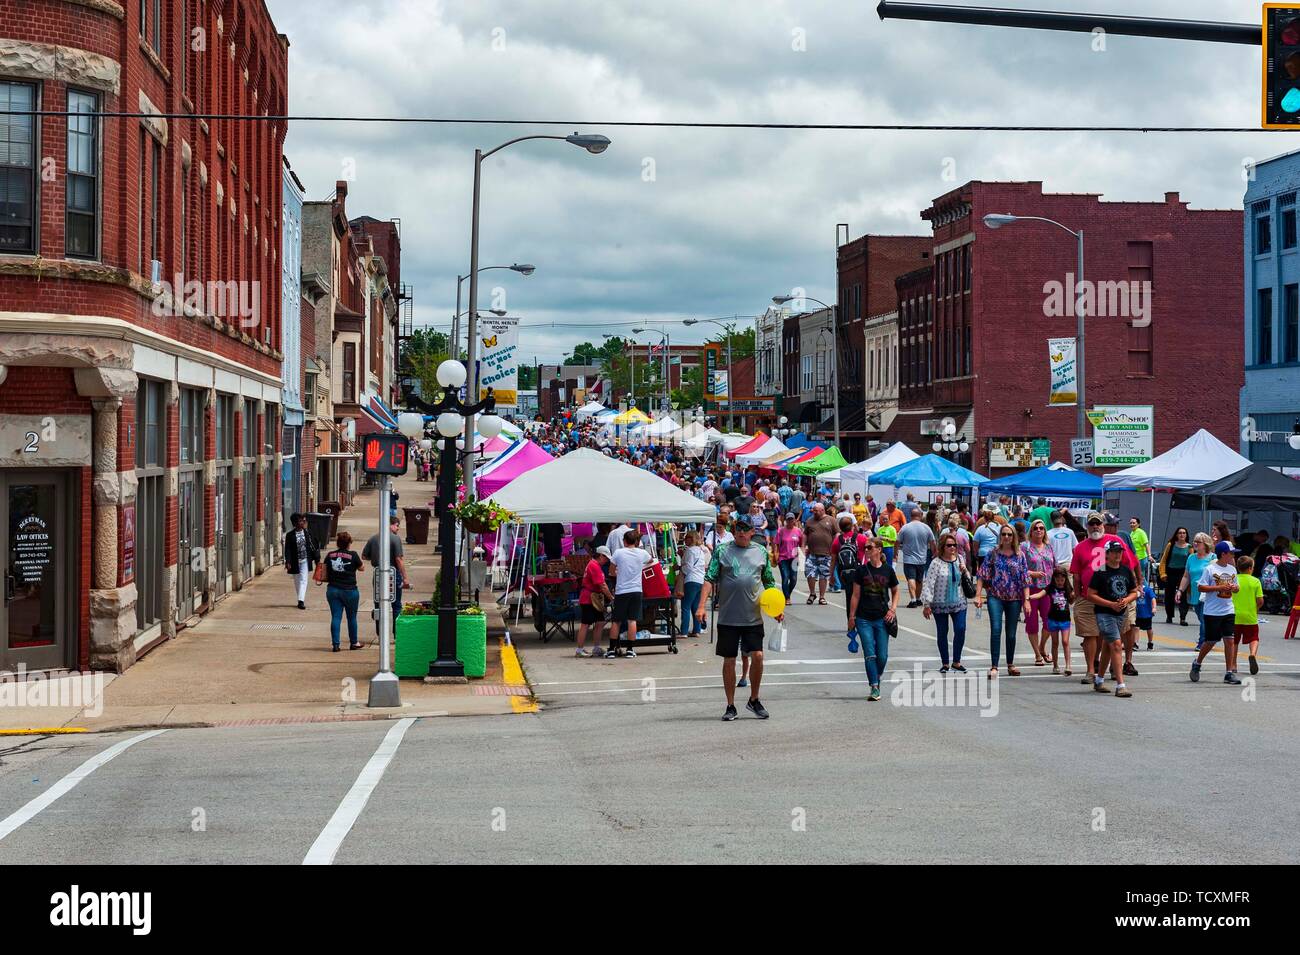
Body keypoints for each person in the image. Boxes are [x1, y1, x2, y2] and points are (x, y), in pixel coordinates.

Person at [698, 516, 777, 721]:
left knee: (758, 656)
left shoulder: (760, 552)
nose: (741, 532)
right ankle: (730, 705)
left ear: (752, 531)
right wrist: (700, 607)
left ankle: (754, 699)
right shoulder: (722, 551)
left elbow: (769, 582)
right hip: (728, 618)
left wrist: (777, 607)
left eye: (745, 528)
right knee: (729, 660)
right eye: (737, 528)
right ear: (734, 531)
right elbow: (709, 579)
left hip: (753, 617)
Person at [1070, 512, 1138, 688]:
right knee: (1090, 634)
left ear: (1103, 525)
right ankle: (1091, 670)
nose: (1095, 527)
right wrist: (1078, 596)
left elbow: (1130, 566)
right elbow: (1076, 575)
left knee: (1114, 635)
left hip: (1115, 595)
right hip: (1088, 597)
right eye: (1091, 524)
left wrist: (1136, 588)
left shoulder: (1115, 542)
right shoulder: (1080, 547)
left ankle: (1114, 668)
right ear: (1087, 526)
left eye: (1098, 524)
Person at [847, 537, 899, 702]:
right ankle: (874, 686)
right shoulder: (861, 571)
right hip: (863, 618)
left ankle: (877, 675)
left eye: (870, 547)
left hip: (882, 618)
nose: (867, 550)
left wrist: (893, 609)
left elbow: (896, 591)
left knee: (882, 656)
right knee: (870, 654)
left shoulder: (888, 570)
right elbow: (855, 595)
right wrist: (851, 617)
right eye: (866, 547)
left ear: (878, 550)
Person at [975, 523, 1031, 679]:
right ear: (1000, 536)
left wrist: (1026, 600)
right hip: (995, 596)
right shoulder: (993, 553)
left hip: (1014, 598)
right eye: (1004, 534)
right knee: (996, 629)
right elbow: (982, 575)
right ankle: (994, 666)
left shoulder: (1020, 555)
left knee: (1011, 633)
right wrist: (978, 595)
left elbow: (1025, 579)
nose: (1006, 537)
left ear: (1014, 537)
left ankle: (1010, 664)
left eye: (1009, 534)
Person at [1085, 541, 1138, 698]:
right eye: (1114, 551)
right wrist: (1110, 604)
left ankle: (1099, 680)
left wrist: (1126, 600)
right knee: (1116, 644)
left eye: (1119, 551)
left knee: (1109, 647)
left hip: (1120, 613)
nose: (1118, 554)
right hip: (1104, 613)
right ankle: (1120, 685)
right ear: (1107, 554)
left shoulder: (1126, 571)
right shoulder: (1100, 571)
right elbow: (1090, 594)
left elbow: (1134, 591)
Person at [1190, 541, 1241, 685]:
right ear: (1223, 554)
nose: (1233, 555)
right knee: (1211, 641)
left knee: (1230, 640)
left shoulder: (1232, 569)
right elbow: (1201, 587)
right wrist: (1218, 587)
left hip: (1228, 609)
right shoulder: (1210, 569)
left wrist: (1234, 587)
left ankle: (1229, 672)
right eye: (1231, 553)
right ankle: (1197, 663)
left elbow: (1237, 588)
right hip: (1212, 611)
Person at [921, 531, 969, 673]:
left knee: (960, 629)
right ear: (943, 546)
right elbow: (929, 583)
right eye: (949, 545)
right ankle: (945, 662)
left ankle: (957, 661)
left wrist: (965, 570)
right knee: (942, 632)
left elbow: (966, 579)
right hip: (939, 603)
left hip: (959, 601)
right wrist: (926, 604)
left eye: (954, 545)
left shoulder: (960, 558)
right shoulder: (936, 563)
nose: (952, 548)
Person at [607, 528, 653, 658]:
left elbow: (611, 571)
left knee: (616, 621)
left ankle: (611, 649)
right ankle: (630, 649)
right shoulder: (642, 553)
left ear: (625, 541)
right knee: (632, 621)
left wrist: (618, 572)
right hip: (636, 590)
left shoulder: (618, 553)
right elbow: (650, 560)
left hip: (622, 590)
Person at [362, 517, 411, 637]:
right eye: (397, 525)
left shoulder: (373, 539)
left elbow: (364, 556)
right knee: (396, 605)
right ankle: (397, 633)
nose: (398, 528)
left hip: (378, 573)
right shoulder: (395, 539)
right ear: (390, 525)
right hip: (393, 573)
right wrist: (405, 578)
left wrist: (375, 559)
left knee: (378, 604)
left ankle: (380, 633)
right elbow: (398, 559)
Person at [1021, 519, 1056, 666]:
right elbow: (1018, 568)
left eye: (1042, 528)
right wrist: (1032, 573)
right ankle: (1037, 653)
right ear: (1031, 530)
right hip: (1030, 588)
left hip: (1047, 589)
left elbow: (1055, 566)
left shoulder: (1049, 546)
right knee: (1032, 622)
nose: (1039, 530)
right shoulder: (1025, 547)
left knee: (1050, 621)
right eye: (1036, 528)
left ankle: (1042, 647)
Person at [323, 531, 364, 652]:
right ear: (349, 543)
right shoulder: (353, 555)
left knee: (336, 616)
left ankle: (336, 644)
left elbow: (324, 570)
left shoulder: (330, 555)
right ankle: (354, 642)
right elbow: (362, 568)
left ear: (338, 543)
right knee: (352, 617)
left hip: (333, 590)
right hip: (350, 590)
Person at [1031, 567, 1075, 675]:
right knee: (1055, 642)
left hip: (1065, 620)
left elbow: (1072, 600)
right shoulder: (1050, 587)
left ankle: (1068, 665)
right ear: (1054, 579)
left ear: (1065, 579)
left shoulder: (1068, 588)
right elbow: (1040, 594)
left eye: (1062, 579)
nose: (1060, 582)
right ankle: (1055, 665)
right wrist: (1030, 597)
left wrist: (1074, 595)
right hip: (1053, 619)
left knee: (1065, 641)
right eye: (1058, 579)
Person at [1177, 533, 1216, 646]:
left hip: (1207, 593)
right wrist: (1180, 591)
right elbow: (1186, 576)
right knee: (1201, 617)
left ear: (1205, 544)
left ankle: (1202, 642)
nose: (1195, 543)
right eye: (1194, 541)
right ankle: (1210, 637)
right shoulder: (1191, 557)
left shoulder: (1212, 558)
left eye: (1198, 542)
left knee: (1204, 619)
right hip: (1195, 593)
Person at [577, 545, 614, 657]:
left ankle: (596, 648)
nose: (607, 560)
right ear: (601, 555)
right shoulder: (594, 565)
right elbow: (602, 585)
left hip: (594, 598)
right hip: (588, 598)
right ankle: (579, 650)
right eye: (606, 558)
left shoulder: (595, 565)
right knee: (585, 624)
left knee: (600, 622)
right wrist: (611, 598)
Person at [897, 507, 936, 608]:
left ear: (911, 516)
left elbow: (897, 541)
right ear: (921, 516)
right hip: (922, 558)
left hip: (909, 558)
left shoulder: (905, 527)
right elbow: (932, 542)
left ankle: (913, 599)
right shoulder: (926, 528)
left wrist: (895, 553)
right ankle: (918, 599)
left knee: (911, 578)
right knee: (919, 580)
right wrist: (934, 553)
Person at [834, 515, 870, 626]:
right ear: (852, 526)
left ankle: (851, 622)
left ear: (840, 527)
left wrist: (831, 575)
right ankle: (862, 622)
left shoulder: (837, 541)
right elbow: (870, 550)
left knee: (850, 597)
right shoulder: (861, 538)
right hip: (861, 571)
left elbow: (833, 560)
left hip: (845, 574)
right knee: (863, 597)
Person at [1232, 554, 1265, 676]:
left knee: (1234, 641)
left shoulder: (1233, 579)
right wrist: (1256, 608)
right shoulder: (1255, 581)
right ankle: (1252, 654)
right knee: (1254, 638)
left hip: (1234, 615)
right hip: (1250, 616)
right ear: (1250, 568)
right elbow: (1260, 600)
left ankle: (1233, 665)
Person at [802, 502, 837, 606]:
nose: (814, 512)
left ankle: (822, 597)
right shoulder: (809, 520)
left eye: (816, 510)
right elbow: (805, 534)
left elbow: (837, 534)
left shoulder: (831, 520)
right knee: (809, 573)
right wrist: (803, 546)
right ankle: (812, 593)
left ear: (822, 510)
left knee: (823, 575)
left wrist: (834, 547)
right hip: (812, 553)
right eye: (813, 510)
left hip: (826, 553)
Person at [283, 513, 320, 610]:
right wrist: (288, 561)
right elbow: (288, 549)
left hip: (305, 560)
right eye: (300, 521)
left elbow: (313, 547)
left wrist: (317, 560)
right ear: (295, 523)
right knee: (297, 581)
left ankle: (301, 601)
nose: (303, 522)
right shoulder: (290, 535)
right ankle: (300, 597)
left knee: (303, 580)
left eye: (303, 520)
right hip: (295, 561)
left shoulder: (307, 533)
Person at [1157, 527, 1192, 625]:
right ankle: (1169, 616)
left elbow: (1191, 563)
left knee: (1183, 595)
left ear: (1186, 535)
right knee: (1169, 595)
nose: (1182, 535)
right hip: (1171, 572)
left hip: (1183, 573)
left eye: (1184, 533)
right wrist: (1163, 573)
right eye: (1180, 533)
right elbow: (1163, 560)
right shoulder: (1171, 545)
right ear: (1176, 535)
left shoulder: (1190, 547)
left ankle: (1183, 617)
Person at [677, 530, 708, 637]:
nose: (685, 540)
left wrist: (681, 570)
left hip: (691, 580)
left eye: (687, 538)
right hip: (700, 580)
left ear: (692, 539)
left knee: (685, 606)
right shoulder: (701, 551)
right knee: (695, 607)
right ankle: (697, 630)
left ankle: (684, 631)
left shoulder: (690, 551)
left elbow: (688, 567)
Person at [775, 512, 804, 604]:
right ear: (786, 520)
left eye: (792, 519)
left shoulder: (798, 531)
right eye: (788, 519)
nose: (790, 521)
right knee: (785, 577)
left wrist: (802, 555)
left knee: (794, 579)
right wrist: (776, 553)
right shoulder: (781, 530)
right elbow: (776, 543)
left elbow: (801, 544)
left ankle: (787, 594)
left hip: (794, 558)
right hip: (783, 558)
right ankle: (787, 598)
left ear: (794, 520)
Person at [1134, 572, 1157, 651]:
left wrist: (1154, 607)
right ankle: (1136, 643)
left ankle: (1150, 642)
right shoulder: (1133, 590)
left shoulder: (1147, 589)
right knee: (1136, 628)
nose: (1136, 582)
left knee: (1149, 629)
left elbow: (1153, 598)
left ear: (1142, 580)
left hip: (1147, 614)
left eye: (1137, 580)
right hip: (1137, 614)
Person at [1128, 517, 1151, 581]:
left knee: (1140, 576)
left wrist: (1149, 555)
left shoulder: (1141, 532)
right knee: (1138, 576)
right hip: (1135, 558)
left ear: (1138, 524)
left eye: (1134, 523)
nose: (1132, 524)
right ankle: (1142, 590)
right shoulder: (1132, 533)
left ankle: (1147, 590)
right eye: (1130, 523)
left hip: (1141, 559)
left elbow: (1146, 544)